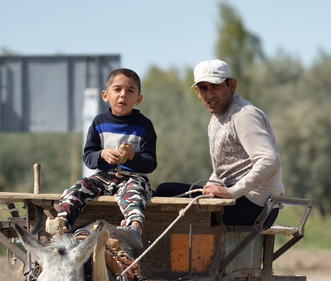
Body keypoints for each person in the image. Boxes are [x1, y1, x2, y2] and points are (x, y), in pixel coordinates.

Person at [156, 59, 283, 227]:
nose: (209, 95)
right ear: (197, 92)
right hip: (238, 200)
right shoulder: (216, 120)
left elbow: (269, 161)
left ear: (232, 85)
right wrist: (210, 189)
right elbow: (221, 172)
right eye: (204, 88)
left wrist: (231, 192)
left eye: (215, 86)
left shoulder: (244, 115)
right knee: (165, 192)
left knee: (165, 195)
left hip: (256, 206)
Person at [49, 68, 157, 249]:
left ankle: (135, 229)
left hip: (133, 178)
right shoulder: (99, 122)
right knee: (78, 187)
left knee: (133, 193)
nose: (123, 95)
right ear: (105, 95)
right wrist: (102, 154)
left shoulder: (144, 125)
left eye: (130, 91)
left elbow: (150, 163)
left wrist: (132, 156)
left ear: (138, 99)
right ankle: (62, 225)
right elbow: (88, 156)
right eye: (117, 90)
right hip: (104, 177)